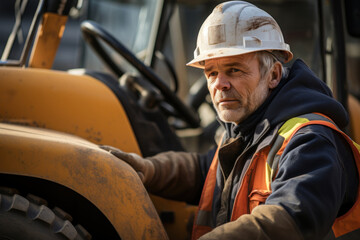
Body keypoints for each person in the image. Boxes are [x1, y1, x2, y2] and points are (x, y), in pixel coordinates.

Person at [101, 1, 360, 239]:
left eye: (234, 70)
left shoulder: (309, 140)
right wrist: (148, 170)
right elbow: (207, 170)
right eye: (211, 73)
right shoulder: (246, 130)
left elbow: (291, 216)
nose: (219, 84)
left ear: (273, 75)